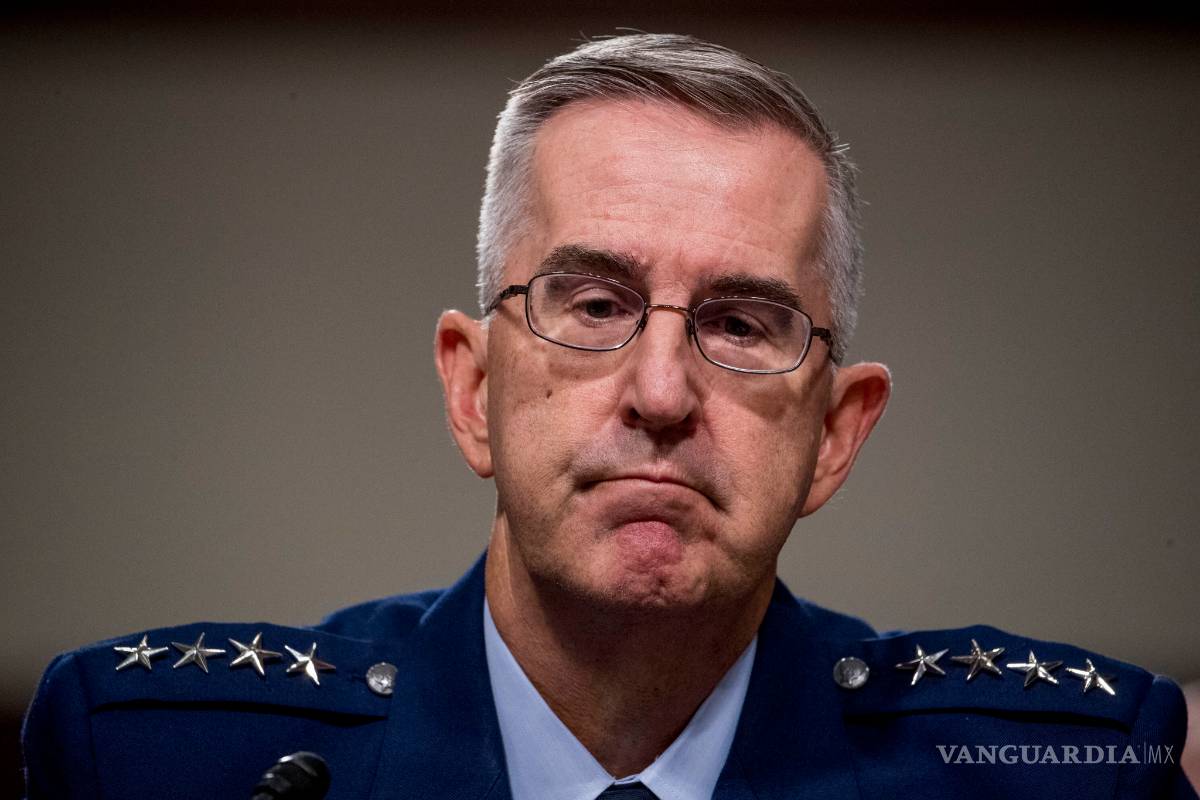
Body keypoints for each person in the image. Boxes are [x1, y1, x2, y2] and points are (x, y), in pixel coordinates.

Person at [21, 33, 1196, 800]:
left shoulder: (1069, 773)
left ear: (836, 434)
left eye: (741, 323)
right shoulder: (156, 758)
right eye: (594, 305)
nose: (662, 393)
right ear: (473, 389)